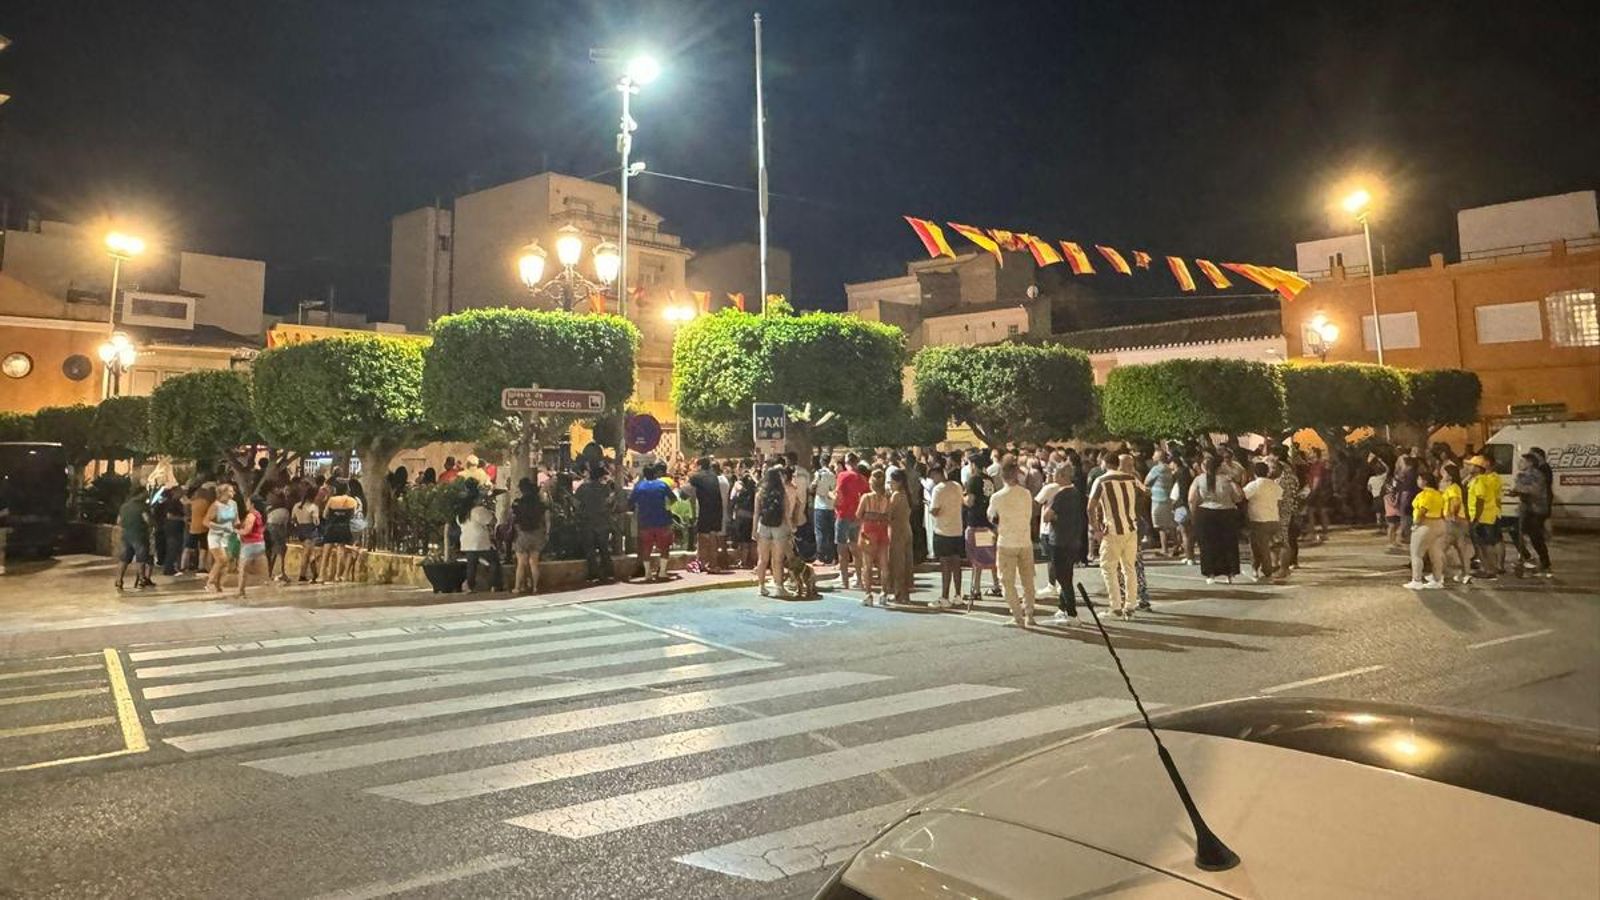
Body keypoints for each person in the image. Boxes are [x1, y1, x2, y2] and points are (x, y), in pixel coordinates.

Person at [1089, 454, 1143, 619]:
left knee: (1108, 568)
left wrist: (1096, 529)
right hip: (1131, 528)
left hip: (1112, 530)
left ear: (1105, 463)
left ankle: (1115, 607)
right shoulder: (1131, 478)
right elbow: (1145, 492)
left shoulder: (1102, 481)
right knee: (1129, 568)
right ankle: (1130, 605)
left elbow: (1090, 507)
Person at [988, 461, 1037, 628]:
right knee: (1028, 580)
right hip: (1025, 541)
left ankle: (1017, 616)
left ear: (1002, 475)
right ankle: (1029, 613)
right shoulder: (1026, 494)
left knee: (1007, 581)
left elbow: (991, 517)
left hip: (1006, 542)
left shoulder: (997, 497)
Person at [1044, 462, 1087, 625]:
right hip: (1073, 540)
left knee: (1063, 577)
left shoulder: (1060, 495)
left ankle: (1072, 612)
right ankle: (1062, 608)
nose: (1052, 476)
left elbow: (1046, 516)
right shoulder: (1076, 493)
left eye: (1055, 473)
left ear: (1062, 476)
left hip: (1060, 540)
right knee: (1067, 573)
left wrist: (1052, 514)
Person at [1189, 454, 1242, 585]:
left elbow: (1191, 499)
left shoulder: (1199, 479)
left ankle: (1210, 573)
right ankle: (1230, 573)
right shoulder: (1227, 479)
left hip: (1205, 513)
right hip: (1227, 513)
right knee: (1228, 544)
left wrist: (1194, 514)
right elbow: (1239, 497)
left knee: (1207, 545)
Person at [753, 465, 798, 599]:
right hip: (779, 527)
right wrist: (791, 529)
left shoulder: (760, 493)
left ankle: (761, 586)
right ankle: (779, 587)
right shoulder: (782, 493)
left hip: (764, 526)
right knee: (777, 559)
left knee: (762, 559)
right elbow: (786, 514)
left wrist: (754, 530)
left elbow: (756, 513)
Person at [927, 465, 965, 607]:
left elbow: (935, 510)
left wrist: (930, 507)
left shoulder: (938, 489)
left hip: (943, 530)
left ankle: (944, 596)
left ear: (937, 475)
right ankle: (958, 595)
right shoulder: (957, 486)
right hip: (957, 529)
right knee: (956, 564)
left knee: (945, 565)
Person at [628, 465, 674, 584]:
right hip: (662, 520)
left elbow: (631, 502)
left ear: (644, 474)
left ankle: (648, 573)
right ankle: (662, 572)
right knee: (664, 547)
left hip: (645, 521)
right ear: (655, 474)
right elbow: (673, 499)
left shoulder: (639, 487)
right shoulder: (662, 485)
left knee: (646, 548)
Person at [962, 456, 999, 600]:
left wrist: (962, 498)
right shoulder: (988, 479)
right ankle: (996, 585)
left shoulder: (973, 480)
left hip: (976, 522)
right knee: (990, 555)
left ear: (973, 464)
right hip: (988, 521)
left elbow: (970, 501)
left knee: (977, 557)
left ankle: (975, 588)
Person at [1512, 452, 1552, 577]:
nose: (1519, 464)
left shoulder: (1536, 475)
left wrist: (1519, 489)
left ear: (1530, 463)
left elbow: (1535, 490)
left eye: (1522, 461)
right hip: (1527, 509)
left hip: (1536, 510)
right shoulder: (1522, 475)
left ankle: (1545, 563)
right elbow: (1519, 488)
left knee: (1536, 537)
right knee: (1517, 533)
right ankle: (1526, 558)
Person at [1243, 461, 1284, 583]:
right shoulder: (1276, 486)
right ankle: (1268, 566)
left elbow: (1242, 496)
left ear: (1254, 472)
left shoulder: (1254, 485)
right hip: (1273, 519)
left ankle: (1265, 570)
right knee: (1269, 546)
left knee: (1259, 547)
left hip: (1259, 520)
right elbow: (1280, 502)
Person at [855, 468, 892, 606]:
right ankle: (884, 593)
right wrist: (880, 517)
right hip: (882, 530)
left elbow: (858, 515)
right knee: (884, 565)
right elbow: (888, 517)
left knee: (867, 565)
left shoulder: (866, 497)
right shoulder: (887, 498)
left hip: (869, 531)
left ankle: (868, 594)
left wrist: (869, 516)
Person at [574, 465, 615, 584]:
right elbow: (609, 502)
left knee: (590, 550)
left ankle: (594, 574)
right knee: (604, 549)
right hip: (602, 522)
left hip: (587, 522)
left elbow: (576, 504)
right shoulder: (605, 488)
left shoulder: (582, 488)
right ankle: (609, 573)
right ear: (601, 476)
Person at [1405, 471, 1447, 589]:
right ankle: (1437, 580)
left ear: (1424, 481)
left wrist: (1416, 523)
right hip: (1439, 523)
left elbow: (1422, 510)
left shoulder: (1425, 494)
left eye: (1419, 479)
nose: (1418, 481)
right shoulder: (1439, 494)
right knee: (1436, 554)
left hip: (1426, 524)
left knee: (1417, 553)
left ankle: (1416, 580)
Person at [1464, 455, 1503, 579]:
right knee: (1484, 544)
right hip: (1485, 516)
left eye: (1471, 465)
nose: (1468, 467)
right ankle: (1488, 569)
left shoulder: (1480, 480)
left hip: (1483, 517)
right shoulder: (1480, 479)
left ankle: (1490, 570)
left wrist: (1476, 518)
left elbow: (1480, 500)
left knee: (1486, 545)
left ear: (1477, 468)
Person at [833, 456, 868, 591]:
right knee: (855, 548)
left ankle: (845, 580)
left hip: (843, 515)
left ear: (847, 463)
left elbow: (839, 495)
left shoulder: (843, 476)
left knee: (842, 548)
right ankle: (859, 578)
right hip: (856, 516)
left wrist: (835, 504)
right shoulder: (862, 479)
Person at [458, 486, 502, 592]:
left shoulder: (462, 513)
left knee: (471, 564)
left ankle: (470, 586)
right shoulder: (479, 510)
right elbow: (493, 521)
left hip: (467, 541)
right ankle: (494, 585)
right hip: (480, 541)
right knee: (494, 561)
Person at [1439, 462, 1477, 584]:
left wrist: (1451, 515)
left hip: (1453, 522)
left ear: (1449, 475)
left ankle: (1439, 574)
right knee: (1462, 549)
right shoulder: (1456, 487)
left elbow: (1455, 502)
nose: (1442, 474)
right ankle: (1466, 574)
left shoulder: (1453, 488)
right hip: (1461, 521)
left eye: (1444, 472)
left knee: (1439, 549)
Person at [511, 476, 550, 593]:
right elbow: (547, 519)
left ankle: (518, 587)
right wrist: (547, 532)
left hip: (522, 534)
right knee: (534, 562)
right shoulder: (540, 503)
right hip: (537, 533)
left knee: (521, 563)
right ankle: (535, 587)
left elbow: (513, 519)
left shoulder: (517, 503)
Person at [687, 458, 726, 574]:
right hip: (717, 511)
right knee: (713, 537)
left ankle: (702, 563)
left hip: (705, 511)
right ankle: (714, 564)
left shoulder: (696, 477)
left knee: (703, 538)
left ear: (699, 466)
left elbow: (685, 492)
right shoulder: (714, 476)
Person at [1035, 464, 1066, 596]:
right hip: (1064, 527)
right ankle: (1061, 584)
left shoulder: (1049, 488)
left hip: (1048, 528)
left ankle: (1051, 584)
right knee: (1062, 558)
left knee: (1051, 559)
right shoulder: (1069, 488)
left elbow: (1037, 502)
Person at [318, 482, 359, 583]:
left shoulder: (332, 500)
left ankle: (321, 576)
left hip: (331, 528)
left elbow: (325, 514)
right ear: (347, 489)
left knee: (326, 552)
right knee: (341, 551)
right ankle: (337, 575)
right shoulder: (352, 501)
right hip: (344, 528)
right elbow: (354, 515)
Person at [115, 487, 153, 591]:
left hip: (126, 536)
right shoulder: (142, 507)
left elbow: (119, 521)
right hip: (140, 535)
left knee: (124, 559)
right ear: (140, 494)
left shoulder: (124, 506)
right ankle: (141, 579)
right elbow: (147, 520)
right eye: (145, 493)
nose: (147, 495)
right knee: (141, 558)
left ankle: (119, 580)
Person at [203, 483, 239, 593]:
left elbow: (236, 520)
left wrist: (237, 529)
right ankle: (210, 582)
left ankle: (218, 584)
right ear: (223, 492)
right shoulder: (216, 506)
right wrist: (221, 527)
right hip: (215, 536)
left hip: (228, 536)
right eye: (230, 491)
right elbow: (205, 522)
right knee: (221, 559)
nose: (233, 493)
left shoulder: (234, 504)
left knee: (226, 562)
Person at [886, 468, 915, 604]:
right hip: (907, 529)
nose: (890, 484)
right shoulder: (906, 494)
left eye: (892, 481)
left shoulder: (896, 495)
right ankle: (906, 593)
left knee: (897, 563)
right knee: (906, 563)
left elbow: (889, 514)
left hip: (897, 531)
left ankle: (899, 593)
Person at [235, 494, 269, 598]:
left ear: (252, 504)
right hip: (260, 543)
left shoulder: (251, 515)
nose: (246, 504)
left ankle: (241, 592)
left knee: (242, 569)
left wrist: (235, 531)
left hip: (249, 544)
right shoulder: (259, 515)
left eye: (248, 502)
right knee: (261, 569)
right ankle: (267, 588)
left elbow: (247, 531)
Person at [1145, 452, 1176, 557]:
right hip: (1168, 497)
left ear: (1158, 457)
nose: (1152, 456)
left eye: (1154, 455)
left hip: (1158, 499)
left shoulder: (1157, 469)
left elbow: (1146, 481)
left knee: (1160, 526)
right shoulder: (1169, 469)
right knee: (1171, 525)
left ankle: (1165, 549)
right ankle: (1176, 546)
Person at [729, 464, 758, 569]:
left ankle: (743, 561)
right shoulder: (754, 488)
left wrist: (731, 514)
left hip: (741, 516)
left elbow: (732, 500)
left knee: (743, 541)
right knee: (751, 541)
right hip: (752, 516)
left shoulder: (738, 485)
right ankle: (752, 561)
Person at [291, 485, 322, 583]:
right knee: (307, 554)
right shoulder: (313, 507)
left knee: (309, 552)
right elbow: (316, 522)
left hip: (300, 530)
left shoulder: (296, 506)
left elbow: (293, 519)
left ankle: (315, 574)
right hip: (310, 531)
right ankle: (302, 575)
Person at [811, 458, 838, 565]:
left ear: (821, 462)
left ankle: (821, 557)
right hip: (831, 506)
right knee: (830, 532)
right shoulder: (833, 474)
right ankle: (832, 557)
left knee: (820, 532)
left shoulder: (819, 473)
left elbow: (813, 486)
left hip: (820, 506)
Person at [184, 483, 214, 574]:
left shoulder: (191, 503)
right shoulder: (206, 502)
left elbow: (187, 514)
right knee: (203, 548)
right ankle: (201, 567)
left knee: (188, 547)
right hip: (204, 528)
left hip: (193, 527)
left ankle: (183, 566)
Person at [158, 486, 187, 577]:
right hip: (172, 528)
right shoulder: (171, 502)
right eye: (180, 492)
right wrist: (182, 518)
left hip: (176, 528)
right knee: (172, 548)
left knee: (175, 548)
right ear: (175, 492)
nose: (183, 493)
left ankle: (172, 567)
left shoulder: (177, 502)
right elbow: (169, 516)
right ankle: (169, 569)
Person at [264, 487, 291, 584]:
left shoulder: (270, 508)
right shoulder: (285, 509)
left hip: (271, 527)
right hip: (277, 527)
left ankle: (272, 572)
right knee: (280, 550)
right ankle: (279, 573)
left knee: (275, 550)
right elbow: (285, 525)